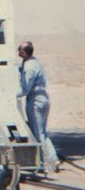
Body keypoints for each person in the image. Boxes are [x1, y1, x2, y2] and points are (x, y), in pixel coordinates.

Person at [17, 41, 60, 172]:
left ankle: (48, 162)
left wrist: (12, 94)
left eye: (20, 49)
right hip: (43, 98)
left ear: (24, 52)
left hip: (35, 100)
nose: (18, 50)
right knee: (42, 132)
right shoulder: (34, 62)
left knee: (38, 133)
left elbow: (26, 88)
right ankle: (52, 158)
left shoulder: (30, 66)